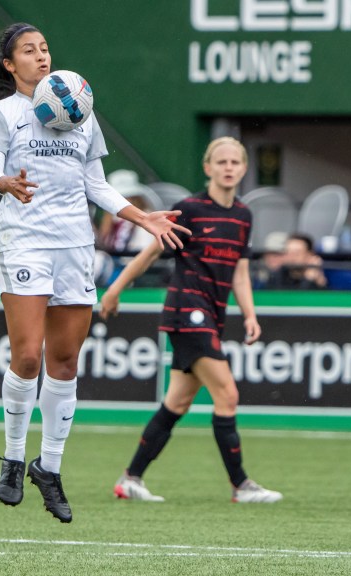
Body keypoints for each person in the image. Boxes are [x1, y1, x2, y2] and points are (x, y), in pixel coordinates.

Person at [0, 22, 189, 523]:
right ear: (10, 65)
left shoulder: (80, 109)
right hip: (24, 241)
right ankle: (13, 457)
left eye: (45, 48)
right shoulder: (5, 113)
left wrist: (142, 218)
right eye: (29, 51)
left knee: (64, 361)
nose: (41, 56)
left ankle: (49, 468)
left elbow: (97, 184)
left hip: (74, 245)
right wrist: (4, 183)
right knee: (27, 356)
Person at [100, 137, 282, 504]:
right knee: (227, 394)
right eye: (221, 162)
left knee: (177, 403)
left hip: (212, 315)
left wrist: (250, 314)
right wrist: (114, 289)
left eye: (235, 162)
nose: (228, 167)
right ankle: (241, 485)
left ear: (244, 169)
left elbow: (240, 273)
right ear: (208, 168)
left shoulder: (243, 216)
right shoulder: (190, 210)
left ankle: (130, 479)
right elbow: (151, 253)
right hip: (187, 311)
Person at [97, 169, 163, 254]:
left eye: (125, 197)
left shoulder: (145, 218)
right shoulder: (111, 217)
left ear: (135, 198)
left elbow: (144, 251)